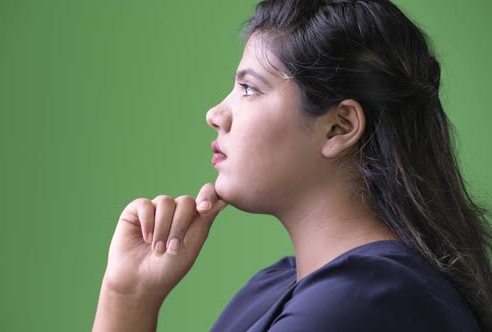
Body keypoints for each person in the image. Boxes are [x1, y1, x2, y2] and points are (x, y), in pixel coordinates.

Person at [92, 0, 492, 331]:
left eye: (249, 88)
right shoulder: (277, 286)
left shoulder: (363, 303)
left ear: (339, 126)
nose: (216, 113)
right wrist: (128, 295)